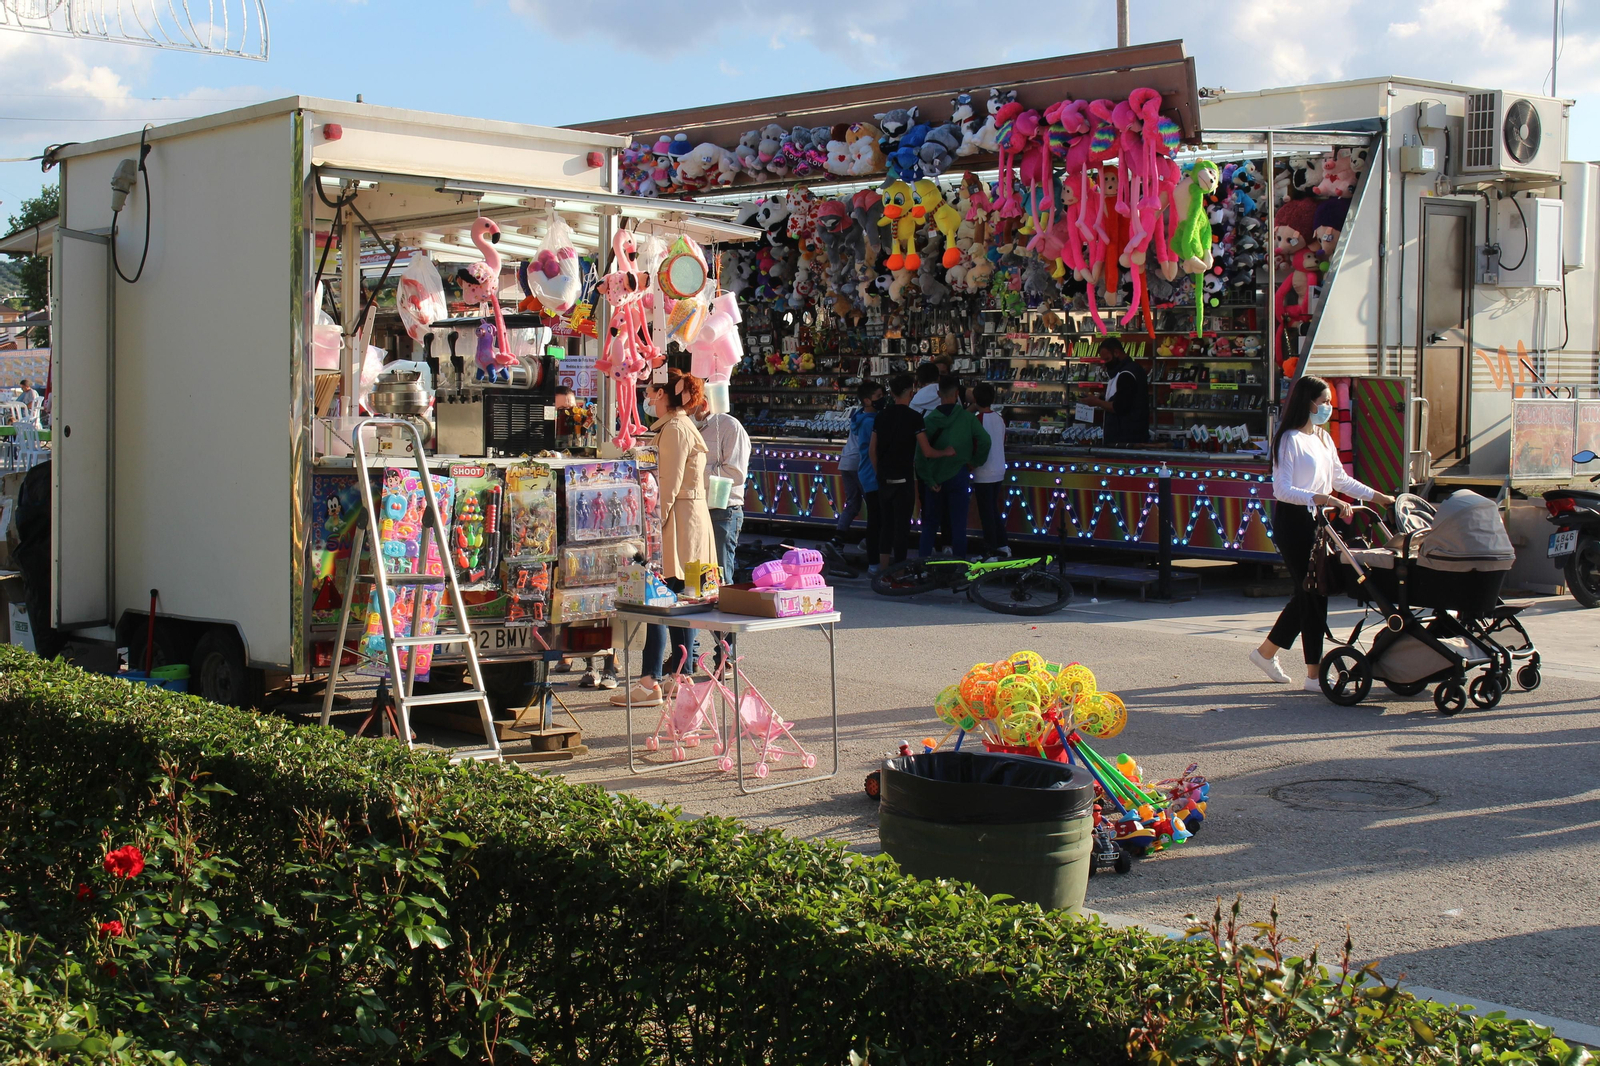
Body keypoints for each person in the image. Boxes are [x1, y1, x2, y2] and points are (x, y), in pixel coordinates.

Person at [1251, 375, 1394, 691]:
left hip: (1319, 521)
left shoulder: (1323, 438)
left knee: (1310, 590)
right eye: (1325, 401)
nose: (1330, 407)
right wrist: (1320, 498)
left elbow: (1341, 480)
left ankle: (1267, 653)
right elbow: (1282, 490)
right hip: (1294, 520)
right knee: (1313, 592)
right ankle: (1314, 675)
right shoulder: (1289, 439)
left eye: (1331, 401)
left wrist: (1378, 497)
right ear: (1308, 402)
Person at [613, 368, 718, 709]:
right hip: (687, 521)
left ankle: (651, 681)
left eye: (651, 391)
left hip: (676, 522)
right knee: (679, 599)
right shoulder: (678, 426)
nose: (648, 397)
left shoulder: (674, 429)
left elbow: (666, 485)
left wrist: (650, 527)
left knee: (658, 598)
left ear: (664, 394)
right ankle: (680, 677)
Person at [871, 372, 951, 568]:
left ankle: (882, 572)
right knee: (902, 527)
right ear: (911, 393)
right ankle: (898, 572)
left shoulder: (881, 416)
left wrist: (878, 472)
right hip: (904, 478)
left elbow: (871, 450)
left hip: (884, 477)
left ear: (891, 393)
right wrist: (946, 452)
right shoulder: (915, 418)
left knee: (886, 525)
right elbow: (927, 451)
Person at [915, 375, 990, 561]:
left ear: (939, 394)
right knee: (958, 525)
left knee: (930, 524)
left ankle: (923, 566)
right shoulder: (967, 418)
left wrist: (928, 480)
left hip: (935, 478)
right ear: (957, 394)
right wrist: (974, 461)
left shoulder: (929, 420)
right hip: (959, 475)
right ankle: (959, 566)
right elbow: (985, 441)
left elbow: (920, 455)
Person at [693, 397, 750, 586]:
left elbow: (735, 474)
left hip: (723, 511)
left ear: (702, 403)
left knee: (719, 575)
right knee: (699, 576)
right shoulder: (691, 428)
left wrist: (697, 470)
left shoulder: (730, 427)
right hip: (697, 507)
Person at [833, 379, 884, 559]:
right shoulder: (871, 420)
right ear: (867, 400)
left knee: (853, 503)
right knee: (875, 507)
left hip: (846, 462)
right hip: (860, 465)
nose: (882, 399)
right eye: (878, 396)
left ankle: (838, 539)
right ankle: (872, 542)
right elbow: (870, 447)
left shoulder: (858, 415)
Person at [1082, 338, 1149, 445]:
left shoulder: (1126, 374)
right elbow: (1126, 397)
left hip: (1125, 440)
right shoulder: (1129, 370)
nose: (1105, 365)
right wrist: (1103, 398)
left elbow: (1119, 407)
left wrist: (1097, 402)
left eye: (1107, 359)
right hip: (1128, 437)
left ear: (1116, 353)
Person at [969, 382, 1009, 558]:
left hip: (983, 471)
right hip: (999, 468)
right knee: (993, 510)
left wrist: (972, 463)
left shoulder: (977, 420)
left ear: (975, 399)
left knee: (986, 513)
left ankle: (991, 550)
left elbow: (975, 444)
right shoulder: (999, 419)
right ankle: (1002, 545)